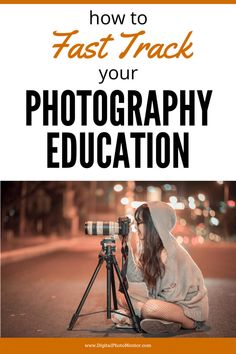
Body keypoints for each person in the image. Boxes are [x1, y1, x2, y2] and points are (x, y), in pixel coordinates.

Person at [112, 201, 209, 334]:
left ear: (155, 224)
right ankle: (162, 322)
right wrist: (126, 244)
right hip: (166, 304)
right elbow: (134, 276)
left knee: (150, 307)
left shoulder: (172, 254)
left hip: (188, 312)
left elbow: (172, 298)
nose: (136, 226)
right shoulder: (153, 250)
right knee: (122, 296)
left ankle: (145, 317)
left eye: (140, 222)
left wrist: (139, 308)